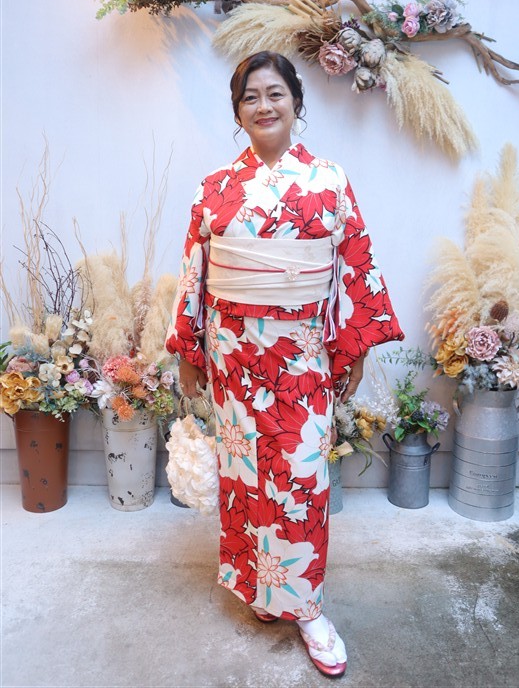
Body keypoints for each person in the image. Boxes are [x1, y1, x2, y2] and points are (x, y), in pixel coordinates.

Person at [165, 50, 404, 678]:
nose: (264, 106)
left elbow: (354, 262)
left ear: (297, 101)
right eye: (250, 97)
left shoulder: (328, 180)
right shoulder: (214, 188)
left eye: (275, 93)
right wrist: (189, 349)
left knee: (301, 479)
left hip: (301, 356)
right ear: (237, 112)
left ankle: (309, 608)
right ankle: (263, 586)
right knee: (246, 476)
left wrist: (352, 345)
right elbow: (195, 272)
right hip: (233, 356)